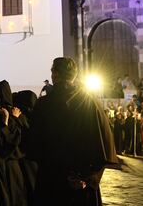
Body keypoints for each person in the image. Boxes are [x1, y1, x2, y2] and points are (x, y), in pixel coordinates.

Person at [28, 57, 118, 206]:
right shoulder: (90, 102)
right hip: (81, 180)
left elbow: (34, 144)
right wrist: (91, 177)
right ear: (74, 75)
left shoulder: (44, 104)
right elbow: (103, 141)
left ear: (55, 74)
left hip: (51, 180)